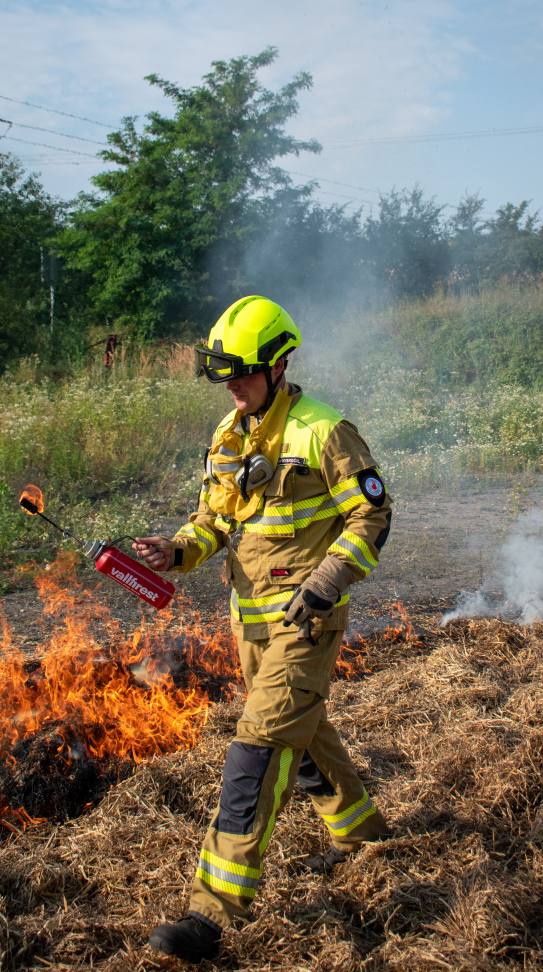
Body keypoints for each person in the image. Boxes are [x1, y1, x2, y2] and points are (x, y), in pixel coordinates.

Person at [132, 295, 393, 964]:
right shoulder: (229, 433)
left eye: (244, 372)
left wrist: (327, 583)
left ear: (279, 365)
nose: (232, 385)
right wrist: (176, 550)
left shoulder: (325, 431)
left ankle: (209, 912)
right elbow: (213, 520)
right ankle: (366, 840)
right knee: (302, 738)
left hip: (307, 620)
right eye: (224, 374)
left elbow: (372, 517)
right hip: (251, 625)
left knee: (260, 744)